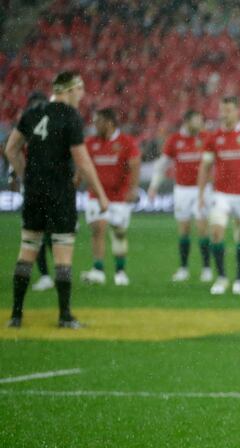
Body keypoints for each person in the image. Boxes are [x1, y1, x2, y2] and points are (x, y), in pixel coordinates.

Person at [5, 70, 109, 328]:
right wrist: (100, 192)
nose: (83, 95)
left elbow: (11, 149)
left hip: (34, 193)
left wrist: (26, 177)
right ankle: (64, 316)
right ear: (68, 89)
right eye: (80, 89)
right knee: (63, 253)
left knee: (27, 249)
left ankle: (16, 315)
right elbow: (82, 160)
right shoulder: (70, 116)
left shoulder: (33, 113)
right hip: (59, 192)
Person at [196, 96, 240, 295]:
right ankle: (221, 278)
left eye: (228, 110)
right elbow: (205, 167)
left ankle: (239, 280)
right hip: (221, 194)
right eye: (222, 110)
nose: (224, 114)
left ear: (237, 112)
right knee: (216, 233)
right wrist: (201, 193)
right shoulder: (214, 137)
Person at [148, 109, 213, 283]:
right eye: (197, 120)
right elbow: (162, 165)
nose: (201, 124)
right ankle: (183, 269)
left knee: (202, 228)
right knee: (184, 230)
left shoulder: (206, 137)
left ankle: (207, 269)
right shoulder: (175, 140)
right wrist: (154, 186)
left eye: (201, 120)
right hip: (182, 190)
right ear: (187, 121)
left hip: (202, 189)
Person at [80, 107, 141, 286]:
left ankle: (120, 272)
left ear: (109, 123)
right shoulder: (90, 143)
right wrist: (77, 178)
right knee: (98, 228)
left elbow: (135, 165)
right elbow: (83, 164)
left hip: (119, 197)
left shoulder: (126, 142)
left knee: (119, 233)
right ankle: (98, 270)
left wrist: (133, 189)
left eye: (98, 121)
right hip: (96, 196)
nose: (94, 125)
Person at [6, 91, 55, 292]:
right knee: (38, 235)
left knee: (53, 235)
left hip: (52, 189)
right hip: (34, 190)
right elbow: (13, 153)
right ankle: (46, 275)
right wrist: (17, 178)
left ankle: (58, 274)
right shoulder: (26, 132)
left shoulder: (54, 130)